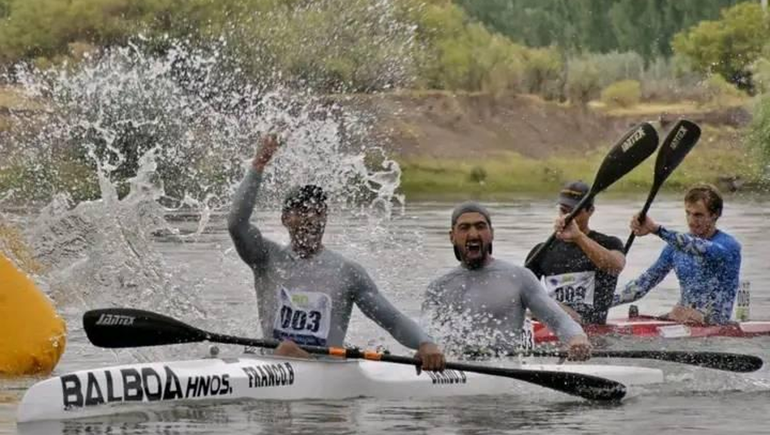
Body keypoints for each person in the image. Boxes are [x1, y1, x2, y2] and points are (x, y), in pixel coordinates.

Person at [228, 133, 445, 371]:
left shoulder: (347, 272)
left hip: (327, 375)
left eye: (318, 211)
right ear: (285, 219)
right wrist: (258, 166)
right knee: (286, 349)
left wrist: (425, 343)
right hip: (273, 370)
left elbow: (392, 321)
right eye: (302, 211)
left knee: (287, 348)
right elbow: (236, 224)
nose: (311, 218)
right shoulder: (265, 258)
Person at [421, 202, 592, 360]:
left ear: (491, 234)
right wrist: (424, 350)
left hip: (505, 371)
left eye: (480, 226)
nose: (473, 234)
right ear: (452, 236)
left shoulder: (519, 277)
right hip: (458, 371)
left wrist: (576, 338)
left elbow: (559, 321)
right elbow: (424, 337)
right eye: (464, 228)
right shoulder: (438, 287)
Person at [612, 183, 741, 325]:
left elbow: (700, 248)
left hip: (717, 325)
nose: (691, 221)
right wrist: (602, 303)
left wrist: (656, 229)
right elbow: (643, 284)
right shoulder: (674, 248)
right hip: (681, 320)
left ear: (715, 214)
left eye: (698, 215)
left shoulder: (728, 246)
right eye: (688, 213)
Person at [526, 181, 626, 325]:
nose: (568, 217)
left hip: (589, 325)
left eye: (574, 212)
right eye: (563, 210)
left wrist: (578, 237)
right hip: (555, 321)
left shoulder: (608, 243)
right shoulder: (542, 250)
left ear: (590, 211)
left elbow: (615, 267)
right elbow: (522, 292)